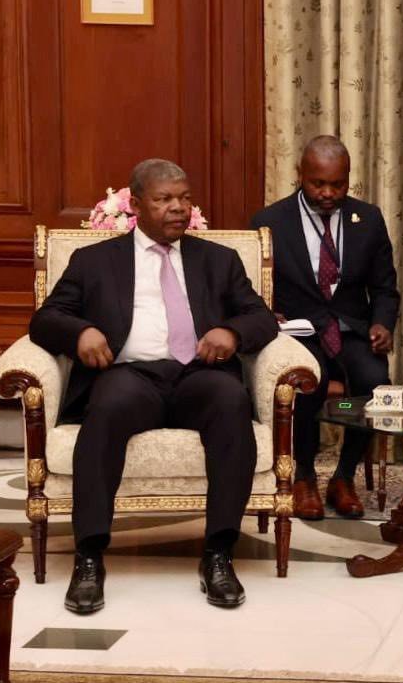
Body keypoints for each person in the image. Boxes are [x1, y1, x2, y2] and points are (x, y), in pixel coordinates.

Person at [30, 159, 279, 614]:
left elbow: (261, 317)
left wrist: (233, 333)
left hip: (198, 375)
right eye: (164, 200)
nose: (178, 208)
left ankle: (219, 554)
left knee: (231, 401)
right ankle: (89, 557)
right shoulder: (94, 262)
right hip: (131, 375)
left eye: (184, 198)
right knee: (106, 409)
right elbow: (45, 320)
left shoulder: (219, 260)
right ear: (137, 204)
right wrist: (80, 333)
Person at [251, 136, 400, 520]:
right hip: (299, 332)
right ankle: (303, 477)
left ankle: (344, 477)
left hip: (351, 329)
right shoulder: (269, 221)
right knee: (307, 384)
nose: (328, 193)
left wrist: (382, 323)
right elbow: (251, 288)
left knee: (374, 383)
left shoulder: (367, 219)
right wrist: (270, 316)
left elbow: (384, 287)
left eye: (338, 184)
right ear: (301, 176)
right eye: (319, 184)